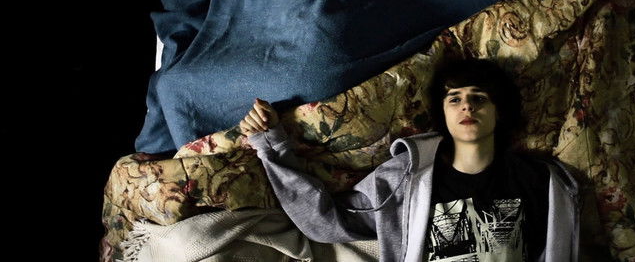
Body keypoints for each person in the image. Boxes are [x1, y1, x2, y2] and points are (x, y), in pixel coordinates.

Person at [240, 58, 581, 261]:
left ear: (500, 111)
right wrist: (271, 143)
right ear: (442, 114)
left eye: (479, 98)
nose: (467, 106)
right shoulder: (405, 178)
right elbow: (324, 222)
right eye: (455, 99)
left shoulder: (540, 181)